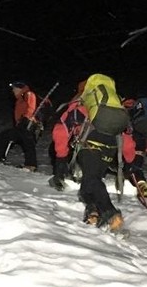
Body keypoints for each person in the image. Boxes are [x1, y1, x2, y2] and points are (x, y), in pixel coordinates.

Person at [57, 74, 134, 232]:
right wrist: (131, 160)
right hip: (110, 149)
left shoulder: (80, 104)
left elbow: (61, 130)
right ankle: (93, 212)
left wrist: (61, 157)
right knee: (89, 182)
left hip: (89, 145)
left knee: (92, 180)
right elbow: (126, 135)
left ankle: (110, 213)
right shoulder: (115, 107)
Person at [0, 81, 39, 171]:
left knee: (27, 143)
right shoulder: (20, 99)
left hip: (28, 123)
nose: (13, 90)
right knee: (5, 136)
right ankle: (0, 157)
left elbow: (31, 107)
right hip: (21, 124)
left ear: (19, 89)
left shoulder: (28, 94)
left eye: (14, 88)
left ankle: (31, 165)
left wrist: (25, 118)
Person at [120, 97, 147, 200]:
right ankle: (141, 182)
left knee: (130, 165)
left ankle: (135, 177)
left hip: (132, 137)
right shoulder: (142, 112)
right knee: (137, 164)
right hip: (144, 139)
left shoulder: (122, 109)